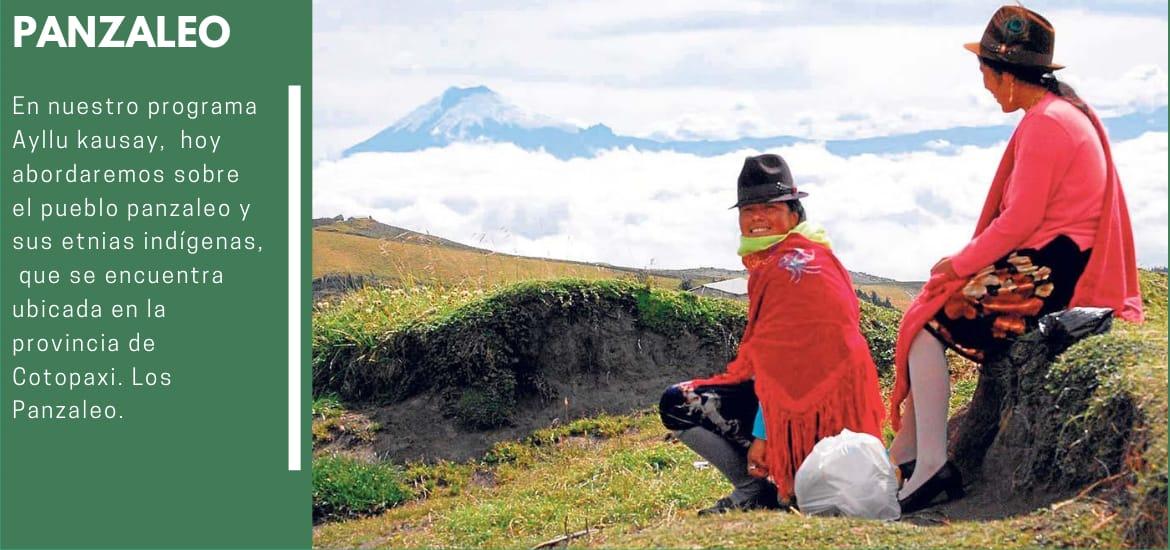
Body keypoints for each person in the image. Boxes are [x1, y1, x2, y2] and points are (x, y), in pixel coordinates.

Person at [888, 5, 1144, 514]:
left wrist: (960, 264)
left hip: (1055, 269)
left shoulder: (1048, 124)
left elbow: (1022, 219)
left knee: (928, 322)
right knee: (929, 309)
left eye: (984, 73)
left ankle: (933, 464)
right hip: (1056, 258)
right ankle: (908, 455)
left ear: (1006, 76)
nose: (983, 85)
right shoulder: (1056, 115)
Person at [659, 153, 885, 515]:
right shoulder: (806, 258)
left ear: (794, 214)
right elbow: (780, 358)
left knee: (677, 403)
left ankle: (755, 490)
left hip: (816, 411)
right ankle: (785, 483)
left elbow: (788, 365)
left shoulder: (788, 268)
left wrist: (764, 435)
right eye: (748, 211)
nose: (756, 218)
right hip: (831, 408)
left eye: (768, 207)